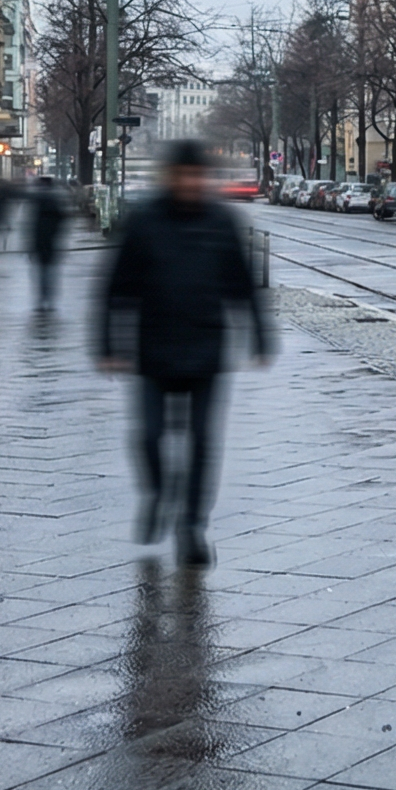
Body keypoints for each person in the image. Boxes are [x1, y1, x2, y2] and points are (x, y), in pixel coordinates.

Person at [100, 140, 271, 567]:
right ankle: (157, 494)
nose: (191, 182)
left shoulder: (222, 221)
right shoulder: (145, 221)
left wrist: (260, 335)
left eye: (197, 175)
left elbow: (243, 283)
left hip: (206, 349)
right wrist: (108, 344)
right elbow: (116, 286)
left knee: (201, 444)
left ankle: (192, 527)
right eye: (183, 175)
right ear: (170, 177)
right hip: (153, 348)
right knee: (149, 437)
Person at [26, 174, 68, 314]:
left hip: (40, 242)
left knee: (41, 273)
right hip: (51, 243)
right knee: (49, 273)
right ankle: (49, 299)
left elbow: (31, 226)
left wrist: (29, 246)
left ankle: (42, 299)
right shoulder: (55, 200)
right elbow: (63, 222)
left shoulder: (37, 200)